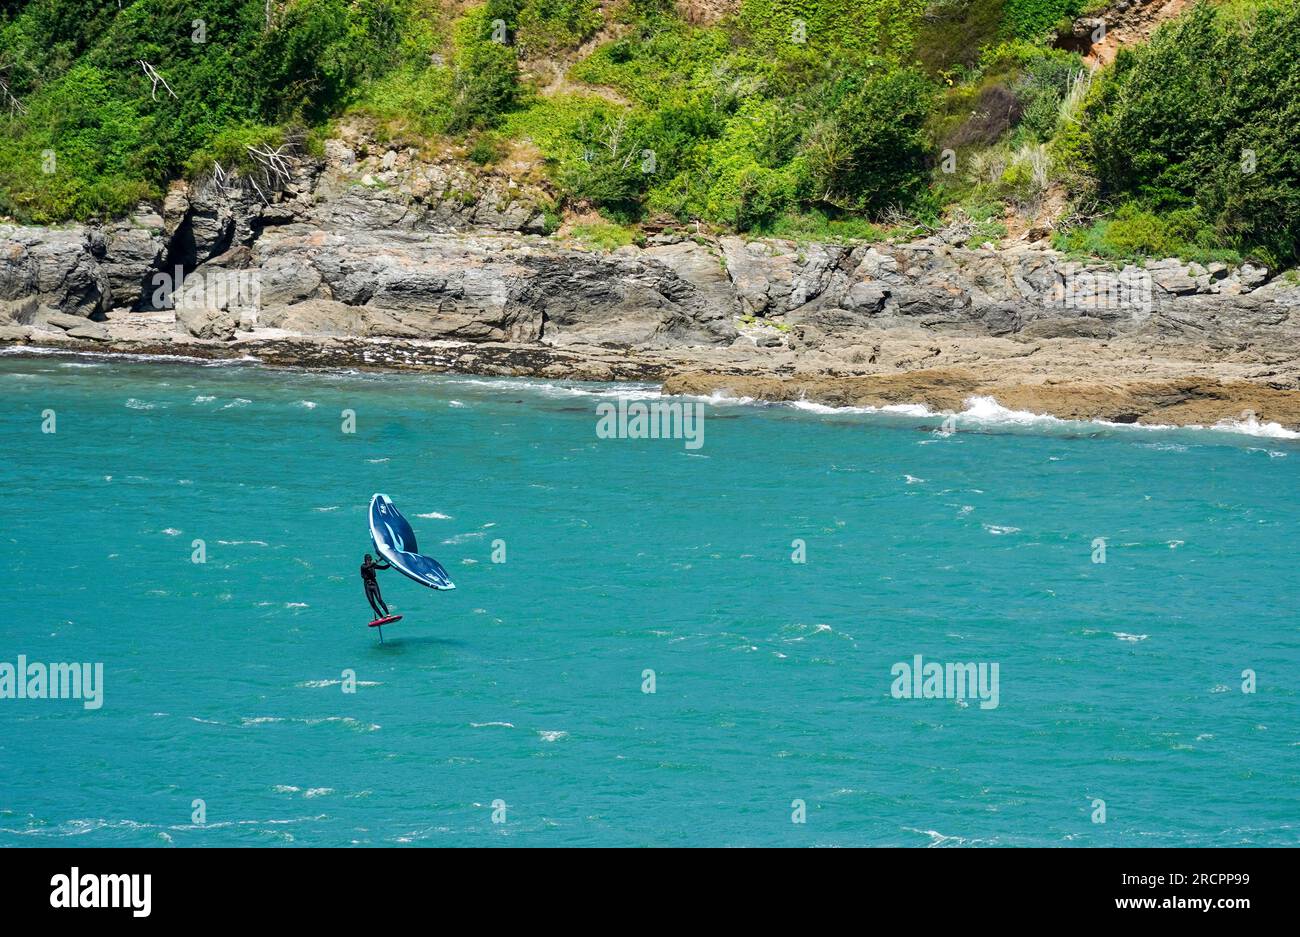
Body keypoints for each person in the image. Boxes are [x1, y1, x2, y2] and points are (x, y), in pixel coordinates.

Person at [360, 553, 392, 619]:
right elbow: (367, 567)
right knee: (372, 603)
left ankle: (388, 614)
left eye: (370, 560)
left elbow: (384, 568)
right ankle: (382, 617)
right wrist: (376, 561)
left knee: (379, 599)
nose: (369, 561)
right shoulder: (363, 566)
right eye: (368, 560)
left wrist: (390, 563)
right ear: (365, 560)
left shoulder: (373, 565)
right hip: (367, 586)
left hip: (374, 584)